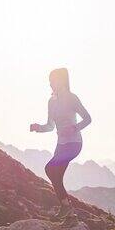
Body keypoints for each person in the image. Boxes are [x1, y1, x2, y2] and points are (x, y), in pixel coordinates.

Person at [30, 68, 92, 221]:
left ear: (61, 80)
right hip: (61, 144)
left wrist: (73, 128)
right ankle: (68, 211)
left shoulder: (72, 98)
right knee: (54, 175)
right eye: (49, 81)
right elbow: (50, 126)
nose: (50, 83)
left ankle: (67, 208)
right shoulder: (52, 102)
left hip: (74, 143)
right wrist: (38, 127)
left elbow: (88, 118)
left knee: (50, 169)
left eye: (52, 80)